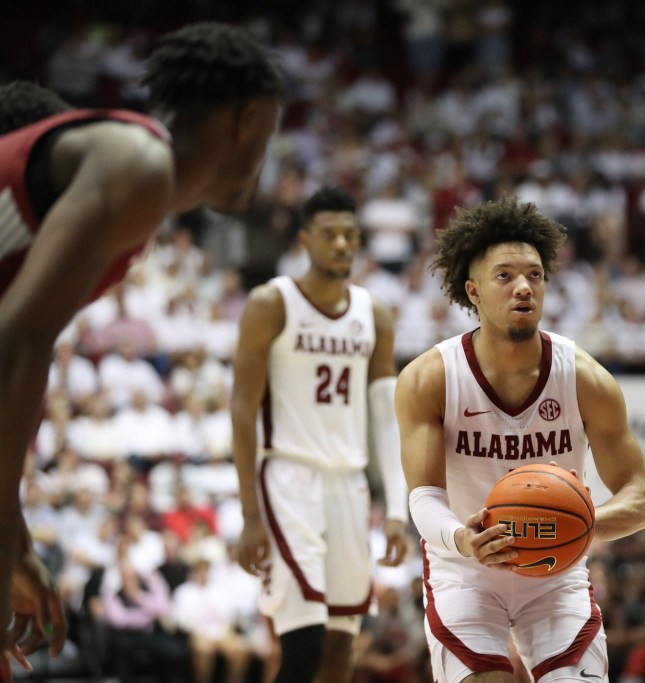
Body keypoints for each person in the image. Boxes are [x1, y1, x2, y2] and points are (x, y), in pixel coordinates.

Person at [0, 22, 285, 677]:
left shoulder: (133, 207)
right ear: (249, 120)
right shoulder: (139, 164)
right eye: (270, 134)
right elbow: (16, 340)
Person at [396, 197, 645, 682]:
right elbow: (424, 496)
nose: (523, 288)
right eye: (505, 276)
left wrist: (579, 525)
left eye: (534, 276)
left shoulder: (585, 379)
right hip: (465, 568)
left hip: (557, 576)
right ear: (472, 291)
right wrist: (462, 539)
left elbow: (639, 497)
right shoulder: (430, 378)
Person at [232, 185, 409, 683]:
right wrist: (250, 514)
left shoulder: (373, 314)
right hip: (287, 480)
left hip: (349, 487)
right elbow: (242, 409)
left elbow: (385, 414)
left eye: (350, 235)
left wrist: (395, 509)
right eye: (330, 234)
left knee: (338, 651)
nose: (341, 245)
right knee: (303, 647)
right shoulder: (272, 303)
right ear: (305, 240)